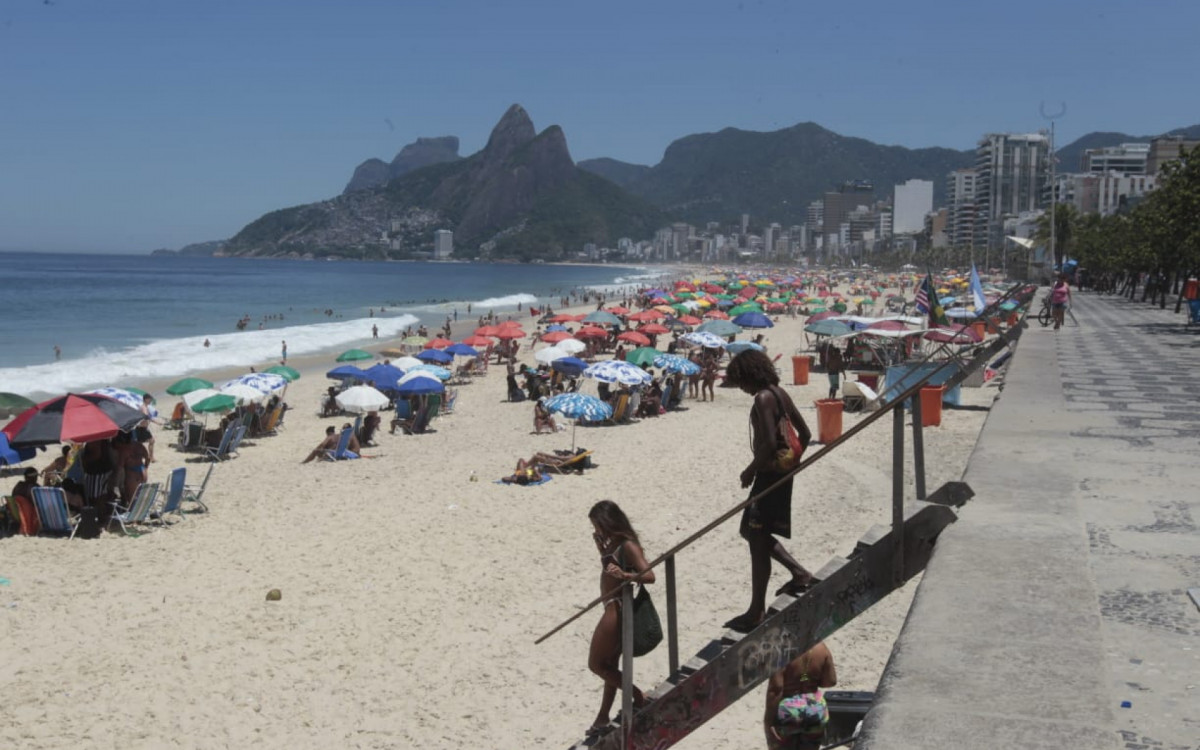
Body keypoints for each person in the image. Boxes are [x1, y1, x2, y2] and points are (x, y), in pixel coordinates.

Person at [724, 349, 815, 632]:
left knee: (755, 535)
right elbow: (806, 434)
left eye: (741, 382)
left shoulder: (763, 398)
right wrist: (791, 464)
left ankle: (756, 611)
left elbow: (769, 445)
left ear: (750, 375)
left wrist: (750, 470)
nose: (742, 388)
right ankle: (798, 573)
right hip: (781, 474)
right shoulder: (780, 393)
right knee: (753, 532)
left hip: (768, 476)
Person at [586, 500, 655, 735]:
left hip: (614, 609)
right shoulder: (614, 544)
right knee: (609, 666)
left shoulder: (628, 545)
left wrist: (625, 575)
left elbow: (650, 576)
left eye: (598, 525)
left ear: (608, 522)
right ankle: (602, 717)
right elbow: (611, 570)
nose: (596, 530)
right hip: (611, 607)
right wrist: (602, 550)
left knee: (596, 665)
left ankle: (638, 695)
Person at [764, 642, 837, 750]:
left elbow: (776, 689)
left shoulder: (783, 650)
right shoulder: (822, 648)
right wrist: (810, 681)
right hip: (815, 709)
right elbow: (830, 681)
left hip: (789, 709)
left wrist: (768, 721)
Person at [137, 393, 158, 463]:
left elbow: (148, 417)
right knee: (151, 441)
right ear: (146, 399)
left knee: (142, 443)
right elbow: (146, 416)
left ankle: (148, 457)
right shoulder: (143, 407)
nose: (151, 401)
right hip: (141, 428)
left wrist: (156, 422)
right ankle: (151, 457)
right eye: (150, 399)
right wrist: (156, 422)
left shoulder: (145, 407)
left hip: (143, 428)